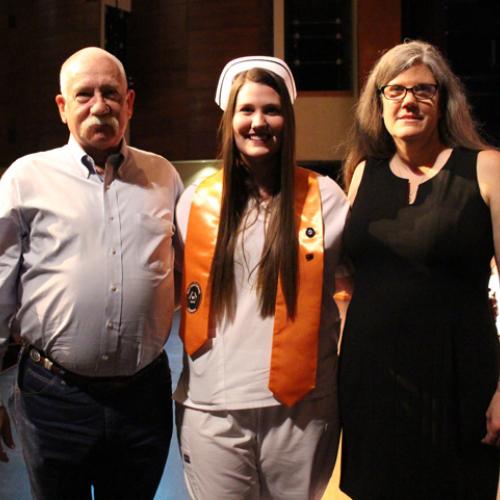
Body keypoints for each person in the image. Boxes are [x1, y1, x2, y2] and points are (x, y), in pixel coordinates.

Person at [0, 47, 183, 499]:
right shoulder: (26, 178)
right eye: (84, 95)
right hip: (52, 400)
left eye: (111, 94)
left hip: (143, 400)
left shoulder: (163, 176)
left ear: (130, 103)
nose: (99, 106)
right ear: (62, 107)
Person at [173, 56, 349, 499]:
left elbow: (364, 282)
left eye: (271, 110)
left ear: (287, 120)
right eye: (246, 110)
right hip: (212, 407)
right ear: (229, 119)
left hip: (302, 408)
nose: (258, 122)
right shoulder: (193, 201)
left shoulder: (325, 198)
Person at [339, 40, 500, 499]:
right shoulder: (362, 173)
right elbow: (348, 274)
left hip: (457, 380)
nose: (409, 100)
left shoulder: (486, 169)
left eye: (423, 90)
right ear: (379, 103)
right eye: (395, 90)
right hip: (372, 381)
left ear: (444, 99)